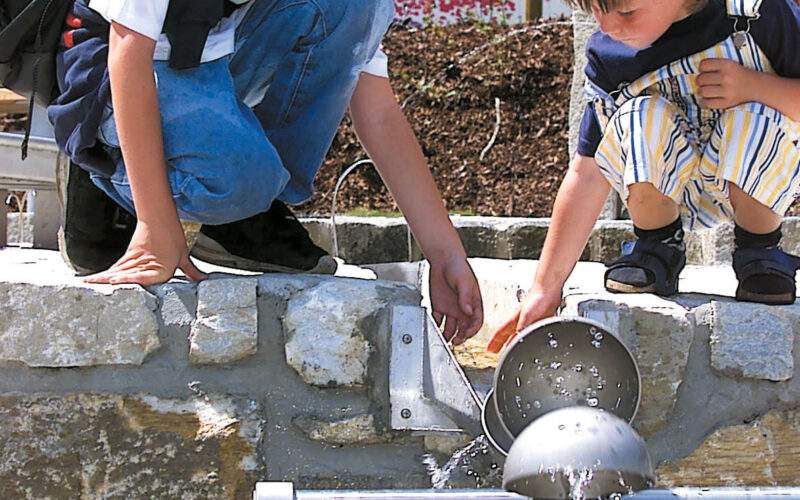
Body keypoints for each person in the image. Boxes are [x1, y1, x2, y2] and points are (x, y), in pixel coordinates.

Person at [49, 0, 483, 344]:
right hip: (107, 74)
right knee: (237, 182)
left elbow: (378, 111)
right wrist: (155, 224)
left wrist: (445, 255)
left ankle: (242, 213)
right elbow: (127, 51)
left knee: (356, 5)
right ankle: (103, 167)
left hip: (206, 63)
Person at [488, 0, 800, 353]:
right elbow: (587, 173)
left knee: (753, 116)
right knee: (637, 114)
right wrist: (545, 288)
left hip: (754, 176)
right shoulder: (611, 60)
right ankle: (657, 247)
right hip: (667, 185)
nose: (607, 27)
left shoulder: (754, 13)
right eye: (595, 11)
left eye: (625, 12)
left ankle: (759, 251)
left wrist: (757, 88)